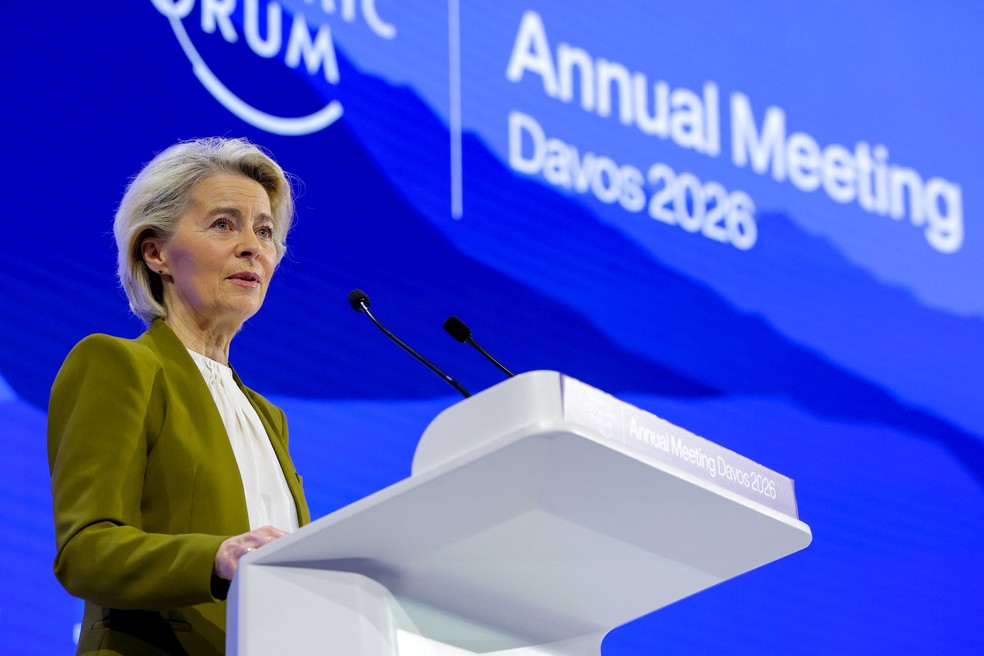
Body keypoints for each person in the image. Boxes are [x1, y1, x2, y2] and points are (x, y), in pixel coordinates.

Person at [47, 137, 311, 655]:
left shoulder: (267, 417)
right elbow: (84, 550)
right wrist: (215, 558)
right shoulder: (119, 365)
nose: (253, 247)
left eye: (264, 231)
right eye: (223, 224)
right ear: (156, 253)